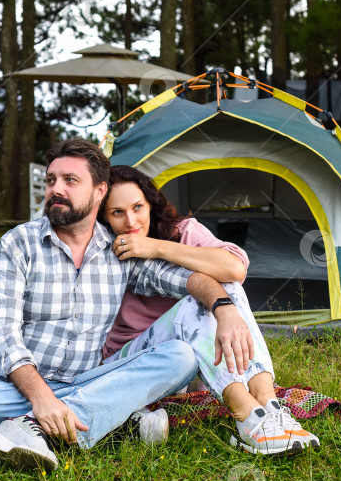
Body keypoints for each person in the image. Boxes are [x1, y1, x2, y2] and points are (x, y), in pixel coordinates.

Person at [0, 139, 255, 472]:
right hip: (13, 387)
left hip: (87, 380)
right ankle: (108, 419)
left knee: (181, 357)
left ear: (100, 191)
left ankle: (34, 427)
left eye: (70, 181)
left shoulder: (118, 251)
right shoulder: (17, 244)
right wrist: (42, 398)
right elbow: (1, 336)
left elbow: (187, 280)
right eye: (52, 180)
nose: (56, 189)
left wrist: (225, 306)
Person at [99, 165, 320, 455]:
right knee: (197, 299)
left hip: (189, 359)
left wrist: (156, 247)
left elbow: (234, 268)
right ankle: (246, 415)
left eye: (138, 207)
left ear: (151, 203)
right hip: (130, 360)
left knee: (227, 289)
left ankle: (268, 404)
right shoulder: (105, 247)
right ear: (104, 216)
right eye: (117, 212)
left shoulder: (184, 231)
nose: (131, 221)